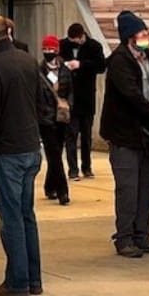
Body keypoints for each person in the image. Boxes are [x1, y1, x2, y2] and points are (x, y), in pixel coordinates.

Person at [0, 14, 56, 296]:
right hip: (30, 147)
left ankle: (17, 281)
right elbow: (41, 103)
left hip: (7, 151)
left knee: (10, 218)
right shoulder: (27, 60)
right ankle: (33, 279)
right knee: (26, 216)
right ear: (8, 33)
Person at [99, 10, 149, 258]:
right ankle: (124, 237)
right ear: (129, 36)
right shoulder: (119, 61)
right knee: (128, 187)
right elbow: (131, 95)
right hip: (124, 134)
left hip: (147, 133)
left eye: (146, 33)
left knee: (147, 186)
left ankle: (143, 234)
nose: (145, 37)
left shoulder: (148, 55)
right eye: (141, 33)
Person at [61, 23, 103, 180]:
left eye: (75, 40)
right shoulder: (63, 45)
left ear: (81, 36)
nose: (73, 42)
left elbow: (101, 67)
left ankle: (87, 167)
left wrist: (81, 65)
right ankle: (73, 169)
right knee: (71, 135)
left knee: (86, 135)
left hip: (86, 96)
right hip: (70, 97)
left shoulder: (94, 46)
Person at [39, 36, 72, 206]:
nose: (48, 53)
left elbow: (71, 92)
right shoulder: (39, 71)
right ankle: (63, 191)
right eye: (45, 50)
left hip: (62, 118)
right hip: (46, 119)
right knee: (54, 154)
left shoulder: (65, 70)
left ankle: (49, 185)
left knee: (57, 154)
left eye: (51, 49)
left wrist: (68, 106)